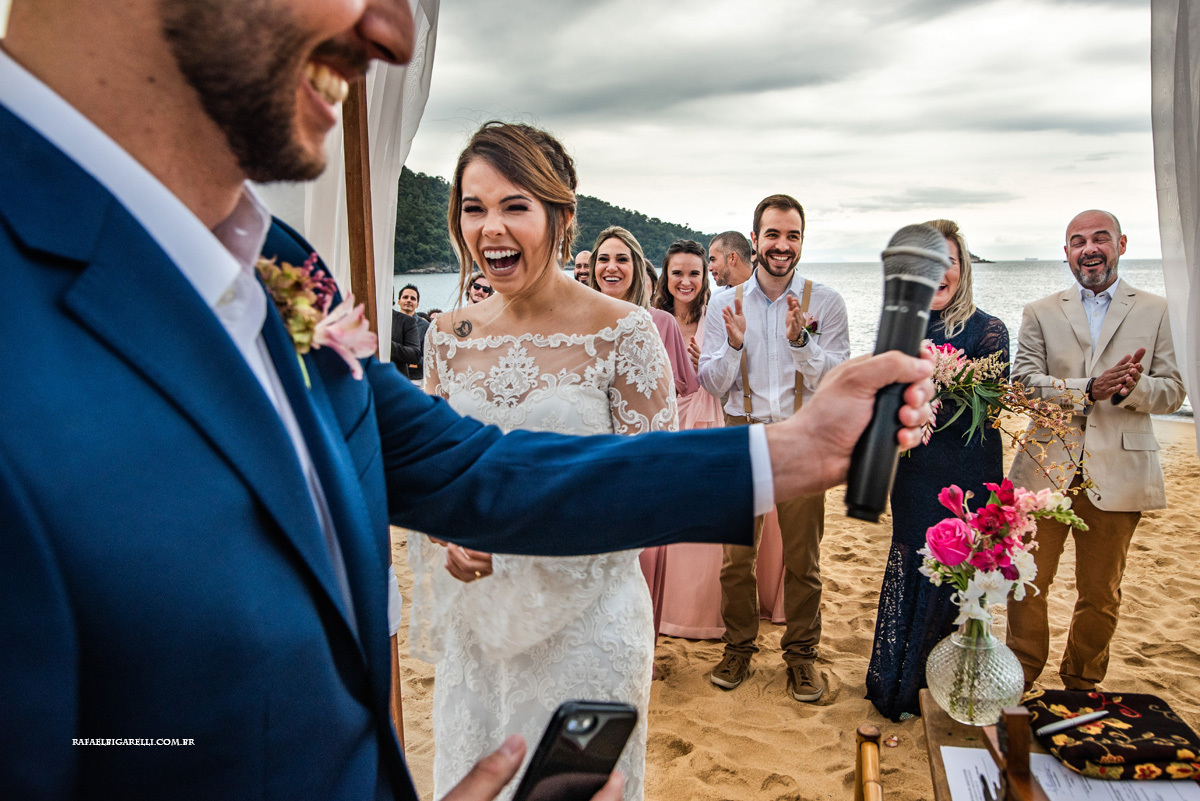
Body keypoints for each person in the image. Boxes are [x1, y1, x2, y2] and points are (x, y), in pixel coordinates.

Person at [0, 1, 937, 797]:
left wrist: (798, 447)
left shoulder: (279, 266)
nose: (396, 32)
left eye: (516, 205)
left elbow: (477, 468)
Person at [410, 121, 670, 801]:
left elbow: (652, 498)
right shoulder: (447, 338)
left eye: (514, 205)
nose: (490, 227)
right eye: (474, 208)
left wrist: (525, 537)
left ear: (561, 217)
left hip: (586, 632)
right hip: (479, 634)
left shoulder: (624, 333)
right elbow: (434, 476)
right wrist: (447, 531)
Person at [1005, 210, 1185, 693]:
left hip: (1120, 469)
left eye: (1100, 238)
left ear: (1121, 244)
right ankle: (1019, 677)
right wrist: (1087, 388)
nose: (1089, 248)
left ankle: (1082, 683)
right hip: (1045, 469)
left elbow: (1173, 392)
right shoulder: (1040, 311)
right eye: (1078, 241)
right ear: (1066, 252)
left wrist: (1131, 388)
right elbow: (1023, 384)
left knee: (1101, 592)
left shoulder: (1157, 310)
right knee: (1026, 581)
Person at [699, 194, 851, 702]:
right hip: (740, 435)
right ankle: (738, 647)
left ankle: (802, 656)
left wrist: (802, 343)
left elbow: (836, 379)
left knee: (803, 558)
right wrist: (734, 344)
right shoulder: (723, 303)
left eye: (792, 236)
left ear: (802, 242)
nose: (782, 245)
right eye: (773, 235)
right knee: (735, 558)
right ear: (755, 239)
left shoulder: (825, 301)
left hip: (801, 437)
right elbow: (711, 382)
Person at [864, 219, 1009, 721]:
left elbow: (986, 406)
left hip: (971, 471)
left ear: (962, 268)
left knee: (961, 574)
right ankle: (898, 685)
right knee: (913, 564)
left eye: (947, 261)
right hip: (916, 471)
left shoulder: (990, 330)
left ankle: (948, 685)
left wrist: (923, 404)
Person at [588, 226, 698, 399]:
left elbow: (672, 390)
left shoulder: (662, 322)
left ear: (636, 268)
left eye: (622, 259)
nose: (611, 267)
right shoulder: (580, 320)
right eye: (603, 259)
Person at [392, 282, 427, 381]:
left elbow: (426, 355)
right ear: (398, 301)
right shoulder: (390, 322)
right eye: (405, 297)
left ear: (417, 304)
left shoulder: (425, 326)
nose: (408, 300)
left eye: (413, 298)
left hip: (416, 377)